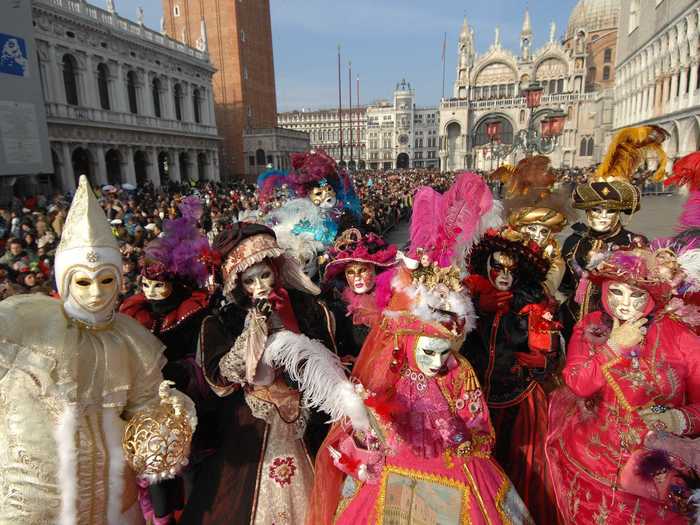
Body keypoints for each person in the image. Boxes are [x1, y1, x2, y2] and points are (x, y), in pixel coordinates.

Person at [307, 172, 532, 525]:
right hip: (396, 471)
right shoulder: (392, 364)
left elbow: (480, 431)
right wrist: (374, 421)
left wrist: (460, 433)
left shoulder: (459, 372)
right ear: (408, 342)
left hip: (455, 471)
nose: (438, 362)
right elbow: (372, 422)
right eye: (428, 352)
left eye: (446, 350)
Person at [0, 176, 195, 524]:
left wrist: (168, 417)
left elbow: (143, 412)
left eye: (106, 280)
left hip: (111, 493)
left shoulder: (131, 339)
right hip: (36, 495)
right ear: (65, 280)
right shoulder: (24, 322)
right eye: (83, 281)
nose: (95, 294)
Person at [181, 222, 369, 525]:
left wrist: (292, 329)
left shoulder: (309, 308)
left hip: (307, 419)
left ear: (277, 269)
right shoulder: (223, 321)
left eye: (265, 275)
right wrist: (253, 333)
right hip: (251, 422)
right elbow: (221, 380)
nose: (260, 287)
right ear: (237, 284)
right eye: (249, 281)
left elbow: (327, 361)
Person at [546, 247, 700, 524]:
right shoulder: (591, 326)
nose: (624, 304)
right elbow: (578, 384)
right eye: (616, 291)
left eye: (637, 294)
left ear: (652, 297)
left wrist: (679, 419)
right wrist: (614, 346)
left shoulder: (682, 337)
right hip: (591, 464)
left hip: (655, 475)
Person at [119, 196, 215, 524]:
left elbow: (202, 353)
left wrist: (181, 374)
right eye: (146, 284)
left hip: (188, 392)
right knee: (155, 468)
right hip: (149, 399)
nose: (152, 291)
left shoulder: (194, 311)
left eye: (159, 285)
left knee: (189, 464)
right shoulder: (135, 313)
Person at [463, 226, 561, 525]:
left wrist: (540, 355)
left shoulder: (531, 305)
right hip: (476, 400)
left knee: (520, 468)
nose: (504, 275)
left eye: (511, 269)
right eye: (497, 267)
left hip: (519, 403)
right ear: (486, 267)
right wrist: (475, 309)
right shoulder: (469, 298)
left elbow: (548, 357)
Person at [560, 126, 668, 337]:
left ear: (619, 213)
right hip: (573, 324)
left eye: (610, 211)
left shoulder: (634, 243)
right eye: (596, 209)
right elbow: (565, 286)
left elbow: (646, 293)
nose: (601, 215)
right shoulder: (574, 241)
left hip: (615, 329)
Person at [500, 155, 571, 302]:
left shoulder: (552, 251)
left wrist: (540, 291)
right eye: (532, 229)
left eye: (543, 231)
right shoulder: (506, 244)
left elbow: (555, 272)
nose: (537, 236)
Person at [322, 227, 397, 360]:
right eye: (350, 272)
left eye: (362, 270)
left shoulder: (395, 298)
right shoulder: (341, 307)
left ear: (376, 271)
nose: (357, 278)